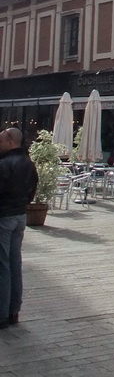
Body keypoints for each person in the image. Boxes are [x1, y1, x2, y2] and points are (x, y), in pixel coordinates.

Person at [0, 127, 38, 329]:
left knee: (3, 265)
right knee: (14, 263)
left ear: (10, 142)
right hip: (20, 215)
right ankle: (14, 310)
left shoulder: (5, 164)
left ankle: (2, 313)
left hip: (4, 216)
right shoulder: (29, 164)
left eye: (1, 141)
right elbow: (33, 189)